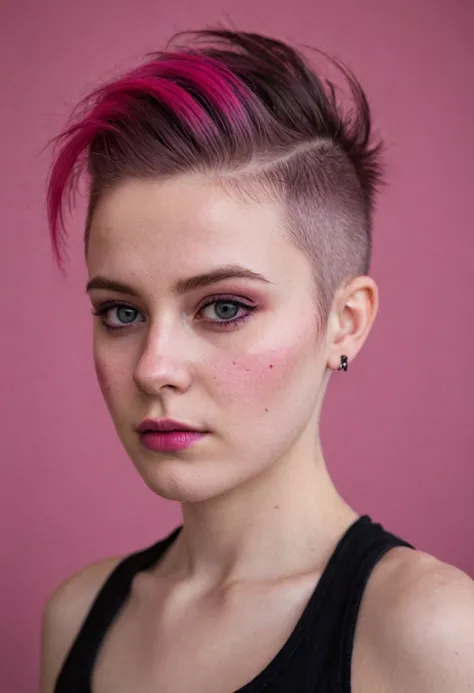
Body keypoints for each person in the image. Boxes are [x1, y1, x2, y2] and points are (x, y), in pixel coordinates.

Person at [40, 29, 474, 693]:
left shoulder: (431, 633)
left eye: (223, 308)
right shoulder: (75, 618)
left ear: (345, 322)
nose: (154, 367)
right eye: (121, 313)